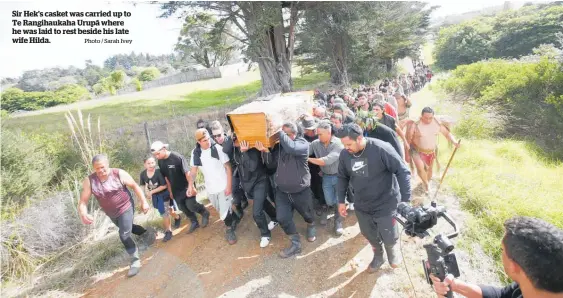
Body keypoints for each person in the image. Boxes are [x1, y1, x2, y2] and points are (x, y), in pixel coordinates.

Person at [336, 124, 412, 272]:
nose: (346, 148)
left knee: (389, 235)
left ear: (359, 138)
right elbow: (342, 177)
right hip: (362, 203)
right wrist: (340, 200)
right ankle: (378, 255)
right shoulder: (345, 155)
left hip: (386, 202)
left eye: (349, 144)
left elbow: (402, 171)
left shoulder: (381, 149)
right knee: (368, 233)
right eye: (344, 145)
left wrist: (406, 200)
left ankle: (391, 252)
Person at [431, 216, 563, 298]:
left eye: (502, 250)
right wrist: (455, 285)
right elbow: (501, 295)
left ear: (513, 266)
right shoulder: (531, 282)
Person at [79, 154, 154, 277]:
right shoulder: (90, 181)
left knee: (124, 235)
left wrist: (144, 202)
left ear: (107, 164)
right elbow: (83, 201)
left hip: (125, 206)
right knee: (128, 228)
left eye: (103, 167)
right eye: (97, 168)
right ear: (94, 168)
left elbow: (135, 186)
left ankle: (135, 261)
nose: (101, 171)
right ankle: (147, 233)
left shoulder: (118, 173)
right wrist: (83, 213)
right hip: (111, 213)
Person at [261, 122, 316, 258]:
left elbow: (292, 148)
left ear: (292, 134)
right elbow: (272, 164)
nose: (281, 139)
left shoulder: (302, 144)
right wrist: (266, 151)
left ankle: (311, 225)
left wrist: (278, 130)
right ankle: (295, 244)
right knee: (282, 218)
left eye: (284, 135)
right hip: (282, 191)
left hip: (300, 190)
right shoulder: (280, 147)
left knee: (307, 213)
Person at [188, 128, 240, 244]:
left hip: (223, 186)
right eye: (205, 140)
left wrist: (229, 186)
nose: (208, 142)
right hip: (210, 189)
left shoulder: (218, 149)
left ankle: (229, 230)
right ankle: (235, 218)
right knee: (221, 209)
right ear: (198, 142)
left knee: (223, 213)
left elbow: (228, 167)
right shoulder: (195, 153)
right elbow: (193, 171)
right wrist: (190, 186)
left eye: (208, 139)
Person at [151, 141, 210, 234]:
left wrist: (192, 187)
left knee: (191, 205)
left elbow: (187, 173)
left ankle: (204, 212)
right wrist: (170, 191)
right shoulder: (160, 162)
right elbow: (166, 178)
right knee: (182, 208)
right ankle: (194, 222)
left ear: (164, 149)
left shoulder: (176, 157)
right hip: (175, 190)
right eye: (155, 155)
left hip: (186, 186)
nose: (156, 156)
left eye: (158, 153)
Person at [237, 139, 279, 247]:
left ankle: (265, 234)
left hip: (260, 180)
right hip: (248, 183)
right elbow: (226, 147)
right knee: (262, 202)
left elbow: (251, 166)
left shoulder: (252, 146)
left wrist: (244, 152)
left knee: (257, 212)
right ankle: (275, 217)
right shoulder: (233, 147)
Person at [406, 107, 460, 192]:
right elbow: (408, 140)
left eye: (430, 118)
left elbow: (447, 134)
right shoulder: (415, 124)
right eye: (426, 118)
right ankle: (426, 184)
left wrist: (454, 142)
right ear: (421, 116)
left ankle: (427, 181)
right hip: (416, 150)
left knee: (429, 170)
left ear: (433, 116)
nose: (428, 120)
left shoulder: (437, 123)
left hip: (431, 151)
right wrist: (407, 154)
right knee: (420, 168)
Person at [308, 121, 345, 236]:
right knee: (329, 200)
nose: (318, 137)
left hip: (340, 177)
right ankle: (336, 209)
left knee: (339, 201)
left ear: (329, 133)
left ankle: (338, 222)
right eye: (317, 134)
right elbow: (304, 152)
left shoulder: (338, 143)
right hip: (326, 177)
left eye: (320, 134)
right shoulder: (315, 143)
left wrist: (308, 159)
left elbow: (327, 160)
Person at [210, 121, 249, 214]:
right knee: (234, 189)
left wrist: (230, 137)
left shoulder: (229, 139)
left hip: (237, 167)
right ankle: (241, 202)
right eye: (214, 136)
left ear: (222, 131)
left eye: (219, 135)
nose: (217, 138)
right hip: (226, 170)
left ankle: (239, 205)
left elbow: (226, 149)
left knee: (234, 188)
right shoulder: (214, 145)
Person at [139, 156, 178, 242]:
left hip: (164, 194)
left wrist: (151, 192)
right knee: (169, 210)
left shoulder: (158, 172)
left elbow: (164, 185)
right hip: (155, 196)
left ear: (155, 163)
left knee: (164, 213)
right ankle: (177, 217)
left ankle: (168, 231)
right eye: (148, 163)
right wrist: (143, 198)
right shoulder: (143, 174)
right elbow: (142, 186)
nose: (151, 165)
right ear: (145, 164)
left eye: (153, 162)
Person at [299, 116, 328, 224]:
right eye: (308, 129)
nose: (310, 131)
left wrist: (321, 168)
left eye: (311, 129)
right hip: (308, 166)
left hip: (319, 165)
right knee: (312, 185)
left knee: (321, 185)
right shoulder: (302, 138)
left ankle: (323, 204)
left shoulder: (319, 136)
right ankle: (317, 203)